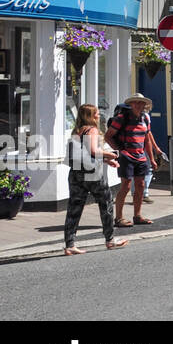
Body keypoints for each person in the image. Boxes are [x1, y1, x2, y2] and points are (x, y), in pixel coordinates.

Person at [63, 104, 128, 255]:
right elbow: (93, 150)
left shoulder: (77, 131)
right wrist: (109, 154)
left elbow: (85, 155)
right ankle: (110, 240)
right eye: (96, 114)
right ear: (90, 116)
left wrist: (106, 161)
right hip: (93, 175)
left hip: (76, 174)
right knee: (106, 204)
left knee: (74, 208)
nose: (99, 116)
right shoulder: (91, 129)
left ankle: (70, 245)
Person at [106, 95, 154, 228]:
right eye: (135, 103)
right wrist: (120, 151)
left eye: (141, 103)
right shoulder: (122, 118)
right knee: (126, 186)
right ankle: (119, 218)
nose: (138, 105)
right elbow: (108, 136)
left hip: (141, 157)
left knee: (141, 185)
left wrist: (152, 159)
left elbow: (147, 139)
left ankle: (137, 216)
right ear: (131, 104)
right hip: (127, 156)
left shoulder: (145, 118)